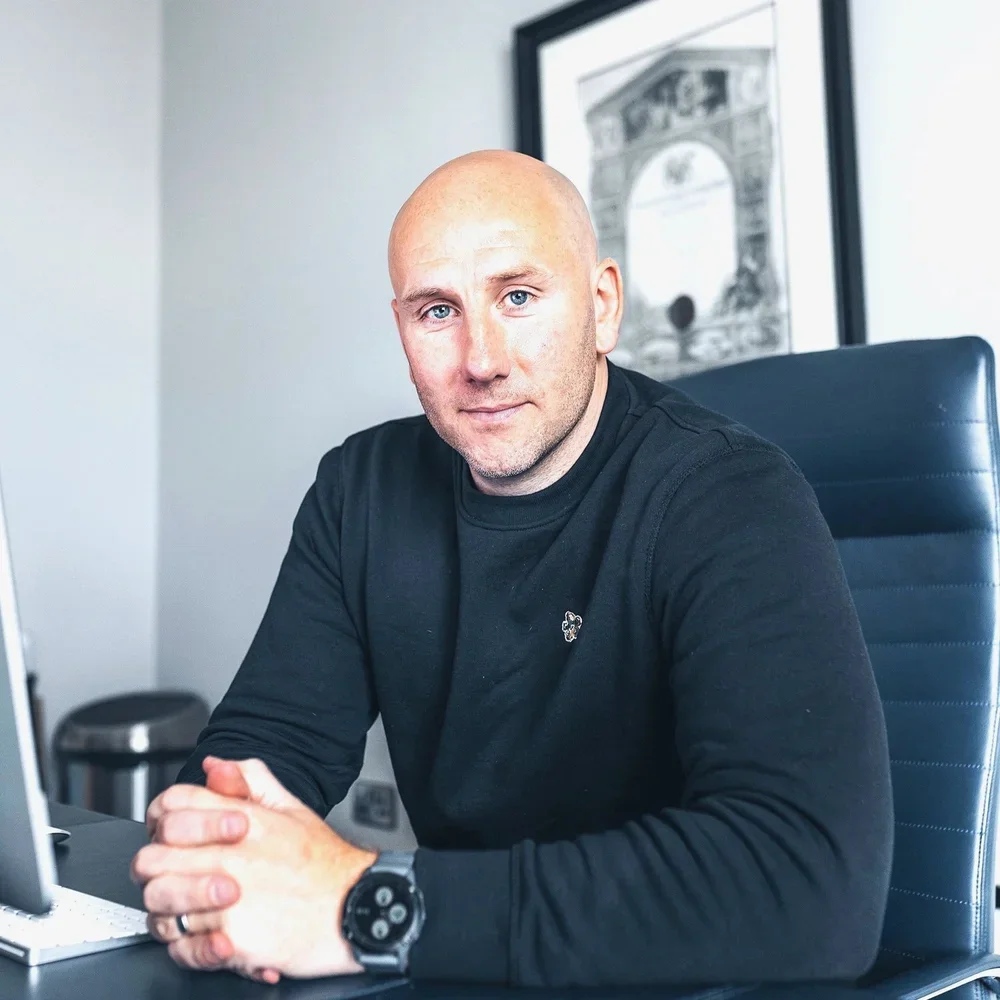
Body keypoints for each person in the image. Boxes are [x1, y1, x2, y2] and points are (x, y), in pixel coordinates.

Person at [130, 149, 893, 988]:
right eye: (436, 312)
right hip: (468, 974)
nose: (480, 359)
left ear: (602, 308)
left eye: (518, 297)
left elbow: (809, 883)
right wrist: (214, 863)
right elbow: (254, 761)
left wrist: (364, 902)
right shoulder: (361, 493)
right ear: (401, 331)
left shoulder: (728, 494)